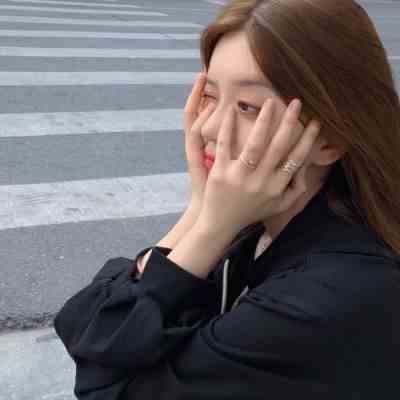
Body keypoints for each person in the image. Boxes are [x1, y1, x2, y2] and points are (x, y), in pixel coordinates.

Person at [54, 0, 400, 398]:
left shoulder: (331, 296)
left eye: (248, 107)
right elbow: (88, 324)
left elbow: (106, 386)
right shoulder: (260, 222)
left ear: (330, 141)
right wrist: (202, 212)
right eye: (210, 95)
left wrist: (210, 227)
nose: (210, 127)